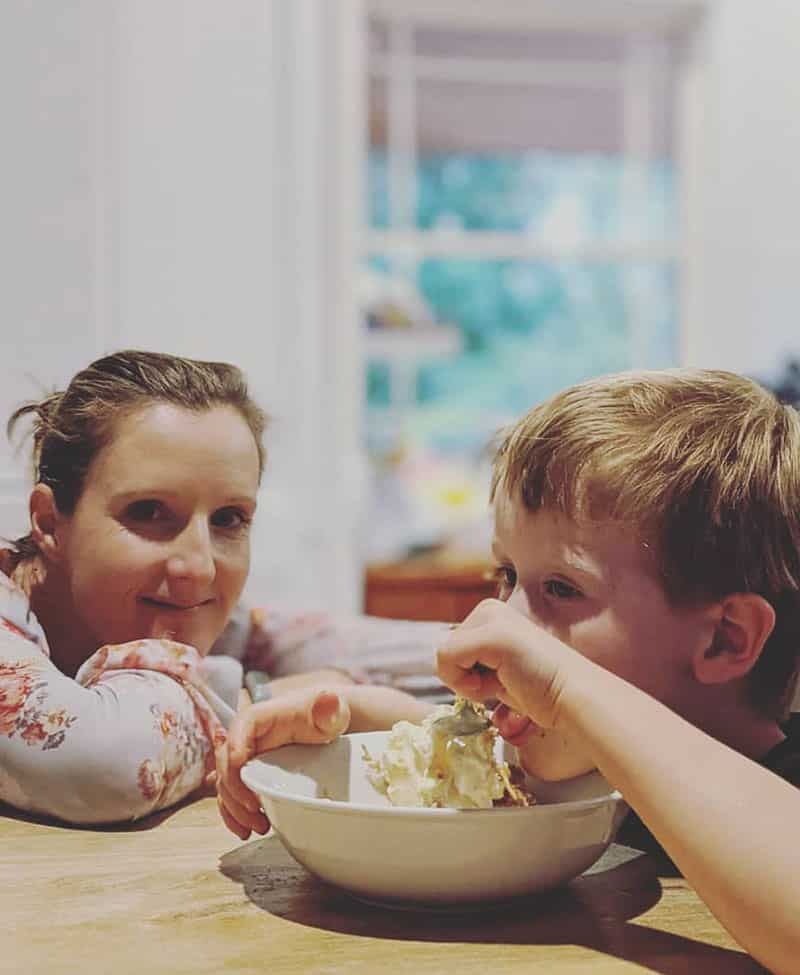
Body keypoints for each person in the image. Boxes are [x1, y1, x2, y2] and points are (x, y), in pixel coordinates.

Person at [220, 367, 800, 973]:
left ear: (725, 639)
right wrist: (368, 716)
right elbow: (517, 770)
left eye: (561, 587)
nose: (499, 621)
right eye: (507, 578)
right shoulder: (590, 769)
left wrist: (560, 684)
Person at [0, 349, 429, 827]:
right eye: (148, 511)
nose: (199, 568)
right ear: (48, 523)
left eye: (228, 519)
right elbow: (102, 766)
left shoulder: (179, 611)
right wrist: (259, 704)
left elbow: (445, 660)